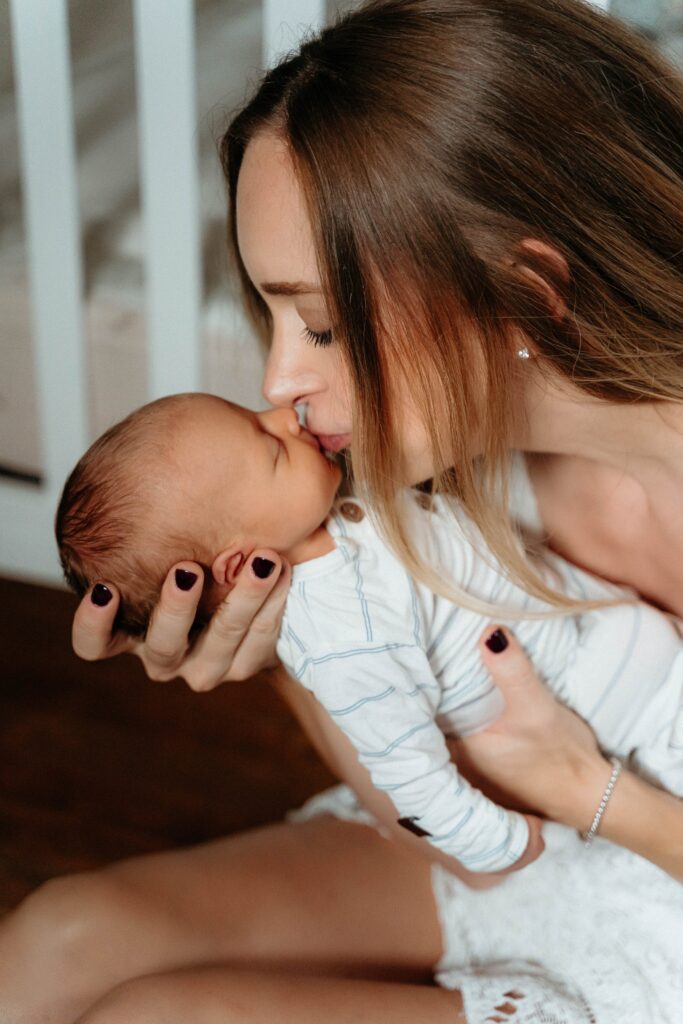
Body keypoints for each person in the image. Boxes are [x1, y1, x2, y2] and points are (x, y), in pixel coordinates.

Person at [2, 0, 682, 1021]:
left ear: (527, 292)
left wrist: (589, 791)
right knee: (55, 941)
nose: (281, 379)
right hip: (527, 851)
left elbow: (539, 803)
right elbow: (452, 832)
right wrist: (290, 638)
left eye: (319, 323)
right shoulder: (439, 465)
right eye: (274, 315)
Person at [56, 392, 681, 875]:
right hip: (619, 717)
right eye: (271, 449)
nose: (282, 414)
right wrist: (488, 839)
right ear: (239, 566)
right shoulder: (338, 636)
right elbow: (404, 762)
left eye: (256, 415)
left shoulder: (335, 505)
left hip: (613, 638)